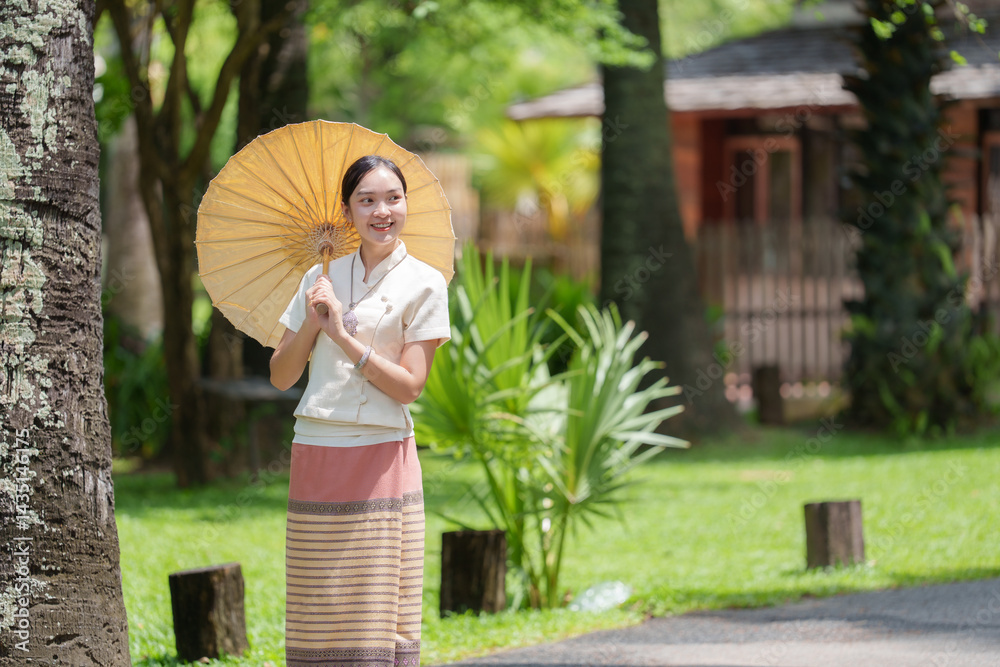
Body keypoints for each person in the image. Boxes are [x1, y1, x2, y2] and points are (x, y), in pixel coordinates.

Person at [270, 154, 450, 667]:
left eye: (393, 198)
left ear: (406, 204)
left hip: (381, 453)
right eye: (366, 200)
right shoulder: (318, 276)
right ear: (347, 212)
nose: (382, 211)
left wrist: (343, 337)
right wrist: (312, 320)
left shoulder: (425, 282)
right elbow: (282, 376)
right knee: (318, 599)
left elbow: (411, 386)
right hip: (317, 449)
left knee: (374, 602)